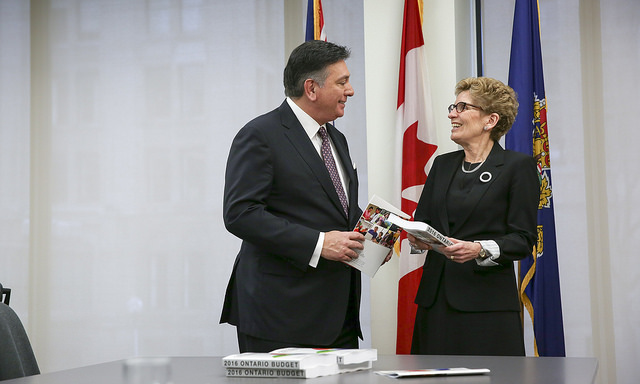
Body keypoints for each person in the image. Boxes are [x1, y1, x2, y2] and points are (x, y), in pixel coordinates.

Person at [220, 40, 370, 353]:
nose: (351, 90)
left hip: (338, 316)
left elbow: (338, 211)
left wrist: (388, 229)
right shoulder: (260, 135)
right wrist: (319, 243)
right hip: (279, 314)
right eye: (342, 82)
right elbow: (241, 214)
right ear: (311, 88)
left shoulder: (336, 138)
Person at [407, 77, 540, 356]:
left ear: (490, 120)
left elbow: (522, 239)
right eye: (452, 106)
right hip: (436, 302)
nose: (451, 113)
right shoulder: (442, 165)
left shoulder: (518, 167)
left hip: (486, 307)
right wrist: (418, 238)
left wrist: (479, 248)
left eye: (461, 107)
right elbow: (425, 222)